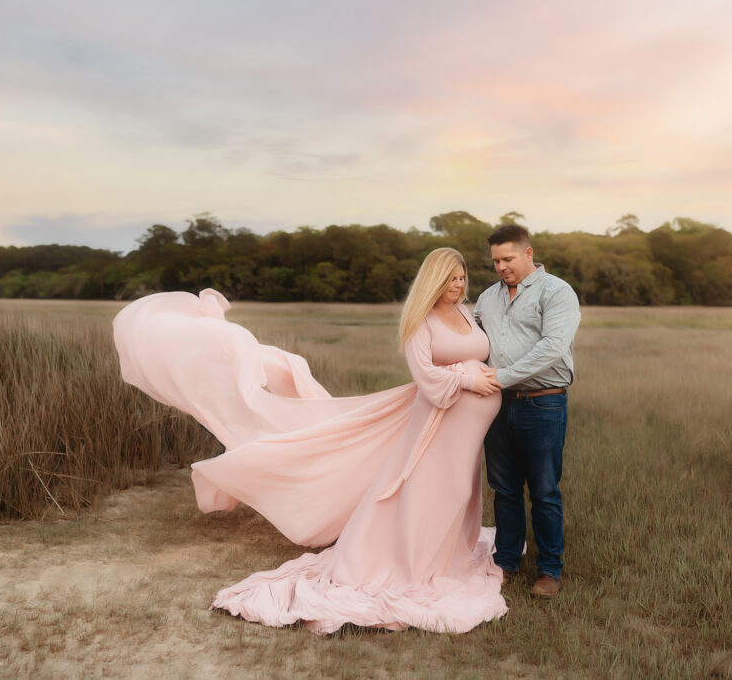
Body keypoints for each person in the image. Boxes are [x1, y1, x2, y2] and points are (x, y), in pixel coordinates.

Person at [112, 247, 508, 634]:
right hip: (437, 424)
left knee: (458, 492)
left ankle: (450, 551)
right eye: (451, 279)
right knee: (431, 490)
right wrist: (468, 379)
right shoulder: (420, 322)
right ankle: (416, 561)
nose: (458, 285)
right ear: (434, 280)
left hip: (466, 434)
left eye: (461, 278)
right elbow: (426, 377)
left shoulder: (465, 314)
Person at [473, 224, 580, 598]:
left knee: (545, 490)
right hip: (497, 405)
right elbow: (472, 340)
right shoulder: (487, 297)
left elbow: (552, 346)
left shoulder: (558, 292)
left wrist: (501, 376)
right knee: (504, 489)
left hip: (544, 402)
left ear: (528, 253)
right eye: (496, 261)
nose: (501, 267)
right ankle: (506, 562)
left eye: (508, 259)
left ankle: (550, 570)